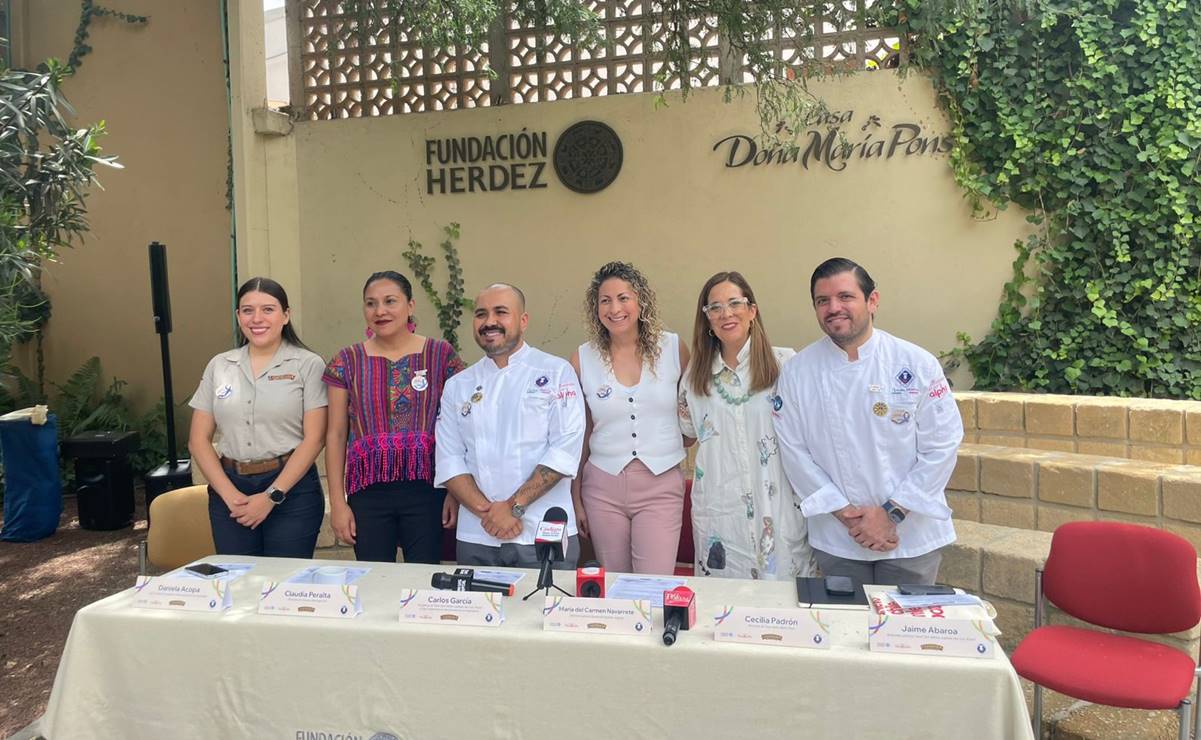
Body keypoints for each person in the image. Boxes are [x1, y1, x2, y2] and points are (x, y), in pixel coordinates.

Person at [776, 257, 962, 586]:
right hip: (838, 538)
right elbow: (793, 451)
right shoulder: (797, 372)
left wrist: (891, 513)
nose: (834, 307)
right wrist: (846, 515)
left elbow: (942, 445)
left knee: (905, 634)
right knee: (846, 632)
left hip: (910, 539)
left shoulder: (916, 363)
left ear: (872, 300)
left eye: (845, 296)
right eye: (823, 301)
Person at [435, 283, 585, 568]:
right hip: (478, 535)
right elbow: (449, 459)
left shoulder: (556, 372)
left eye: (500, 312)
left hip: (543, 533)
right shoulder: (458, 385)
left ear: (523, 320)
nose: (489, 322)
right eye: (481, 314)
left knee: (543, 612)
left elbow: (565, 450)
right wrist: (490, 513)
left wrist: (514, 507)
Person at [678, 271, 813, 580]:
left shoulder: (786, 366)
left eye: (734, 303)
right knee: (723, 610)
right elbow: (686, 433)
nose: (726, 313)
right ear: (707, 319)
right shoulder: (694, 377)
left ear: (752, 310)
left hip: (777, 507)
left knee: (784, 608)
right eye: (715, 307)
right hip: (721, 511)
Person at [323, 271, 465, 563]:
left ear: (410, 306)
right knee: (375, 580)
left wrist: (456, 492)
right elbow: (335, 434)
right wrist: (338, 503)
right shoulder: (346, 361)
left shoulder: (440, 355)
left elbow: (460, 427)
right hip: (368, 492)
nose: (380, 311)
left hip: (428, 490)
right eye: (371, 303)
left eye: (390, 301)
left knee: (424, 579)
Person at [188, 277, 327, 557]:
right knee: (237, 585)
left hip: (292, 491)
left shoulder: (307, 365)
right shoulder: (220, 365)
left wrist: (271, 496)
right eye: (248, 310)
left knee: (283, 587)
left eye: (268, 309)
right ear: (239, 316)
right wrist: (229, 495)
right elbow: (197, 441)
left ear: (286, 315)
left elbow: (315, 439)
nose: (257, 318)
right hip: (230, 490)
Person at [570, 262, 689, 575]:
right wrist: (576, 496)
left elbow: (693, 414)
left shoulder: (673, 348)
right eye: (605, 300)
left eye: (623, 298)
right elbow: (581, 433)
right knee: (616, 586)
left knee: (654, 581)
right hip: (602, 487)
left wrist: (674, 446)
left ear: (640, 301)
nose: (615, 308)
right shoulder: (583, 358)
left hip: (660, 485)